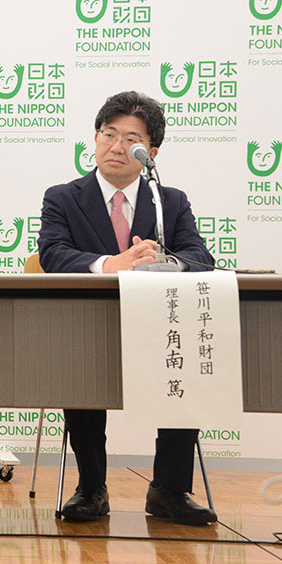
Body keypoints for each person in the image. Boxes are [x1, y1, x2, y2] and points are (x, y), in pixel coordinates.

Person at [37, 90, 216, 525]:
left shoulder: (168, 202)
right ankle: (91, 488)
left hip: (157, 327)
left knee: (184, 364)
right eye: (107, 133)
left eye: (130, 139)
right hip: (88, 328)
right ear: (95, 138)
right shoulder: (63, 197)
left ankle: (169, 490)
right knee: (80, 368)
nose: (115, 147)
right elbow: (52, 254)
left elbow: (200, 257)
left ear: (150, 152)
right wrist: (109, 265)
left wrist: (166, 263)